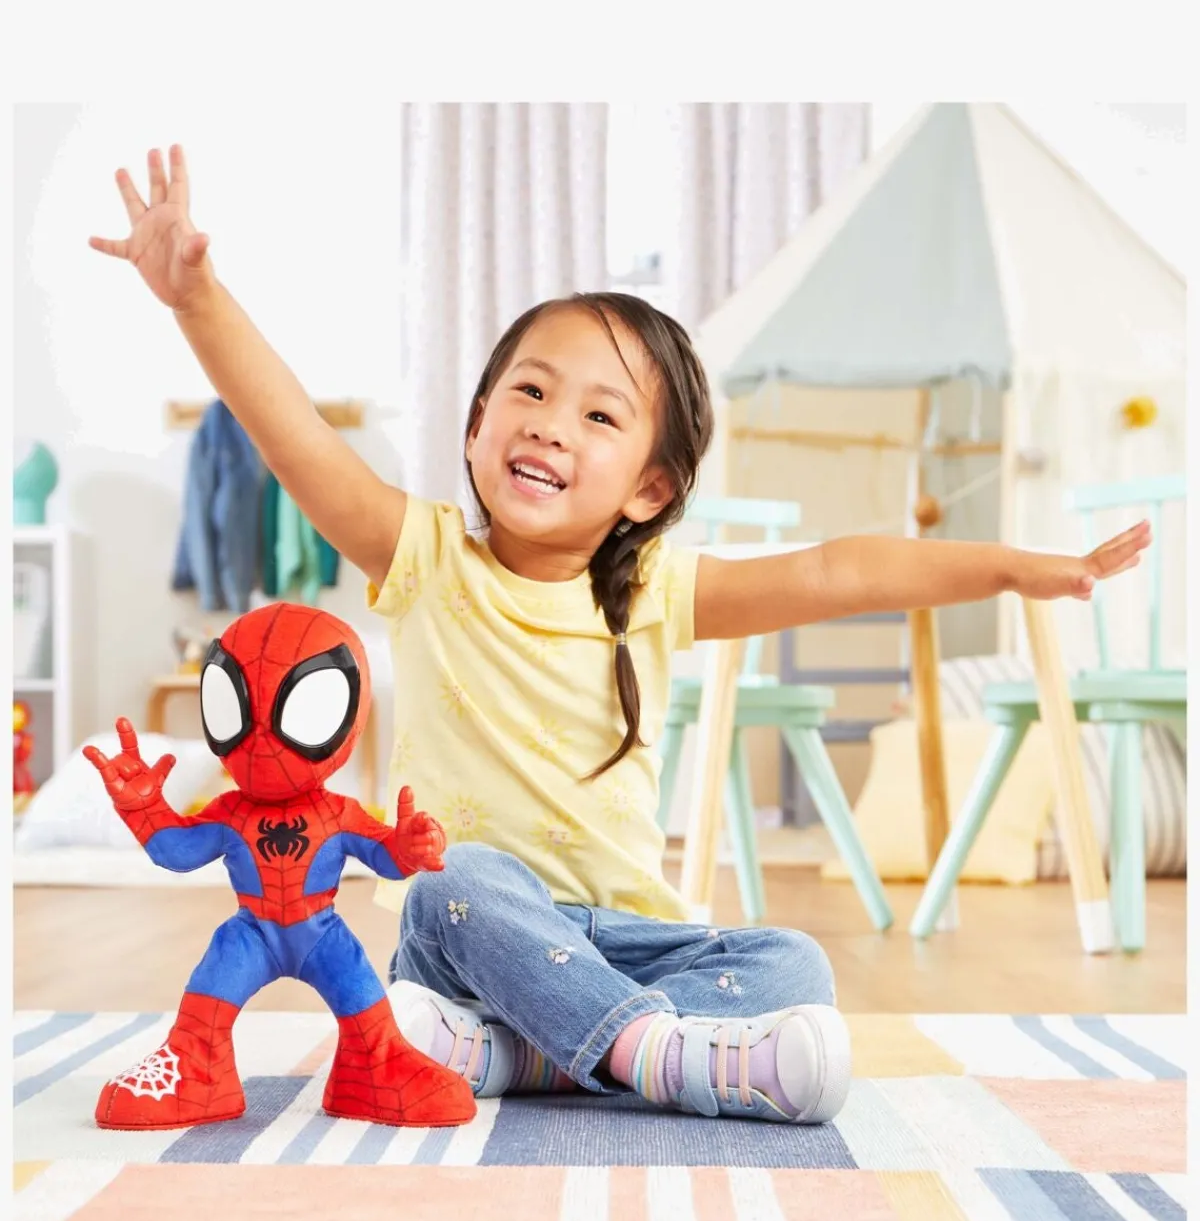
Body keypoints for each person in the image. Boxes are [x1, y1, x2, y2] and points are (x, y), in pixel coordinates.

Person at [90, 145, 1151, 1125]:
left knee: (795, 965)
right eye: (530, 391)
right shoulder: (422, 559)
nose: (550, 422)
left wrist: (1014, 566)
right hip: (472, 936)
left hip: (631, 940)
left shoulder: (654, 591)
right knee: (458, 877)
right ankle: (653, 1055)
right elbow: (295, 438)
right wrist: (196, 298)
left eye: (600, 416)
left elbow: (842, 571)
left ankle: (528, 1055)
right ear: (477, 425)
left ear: (650, 488)